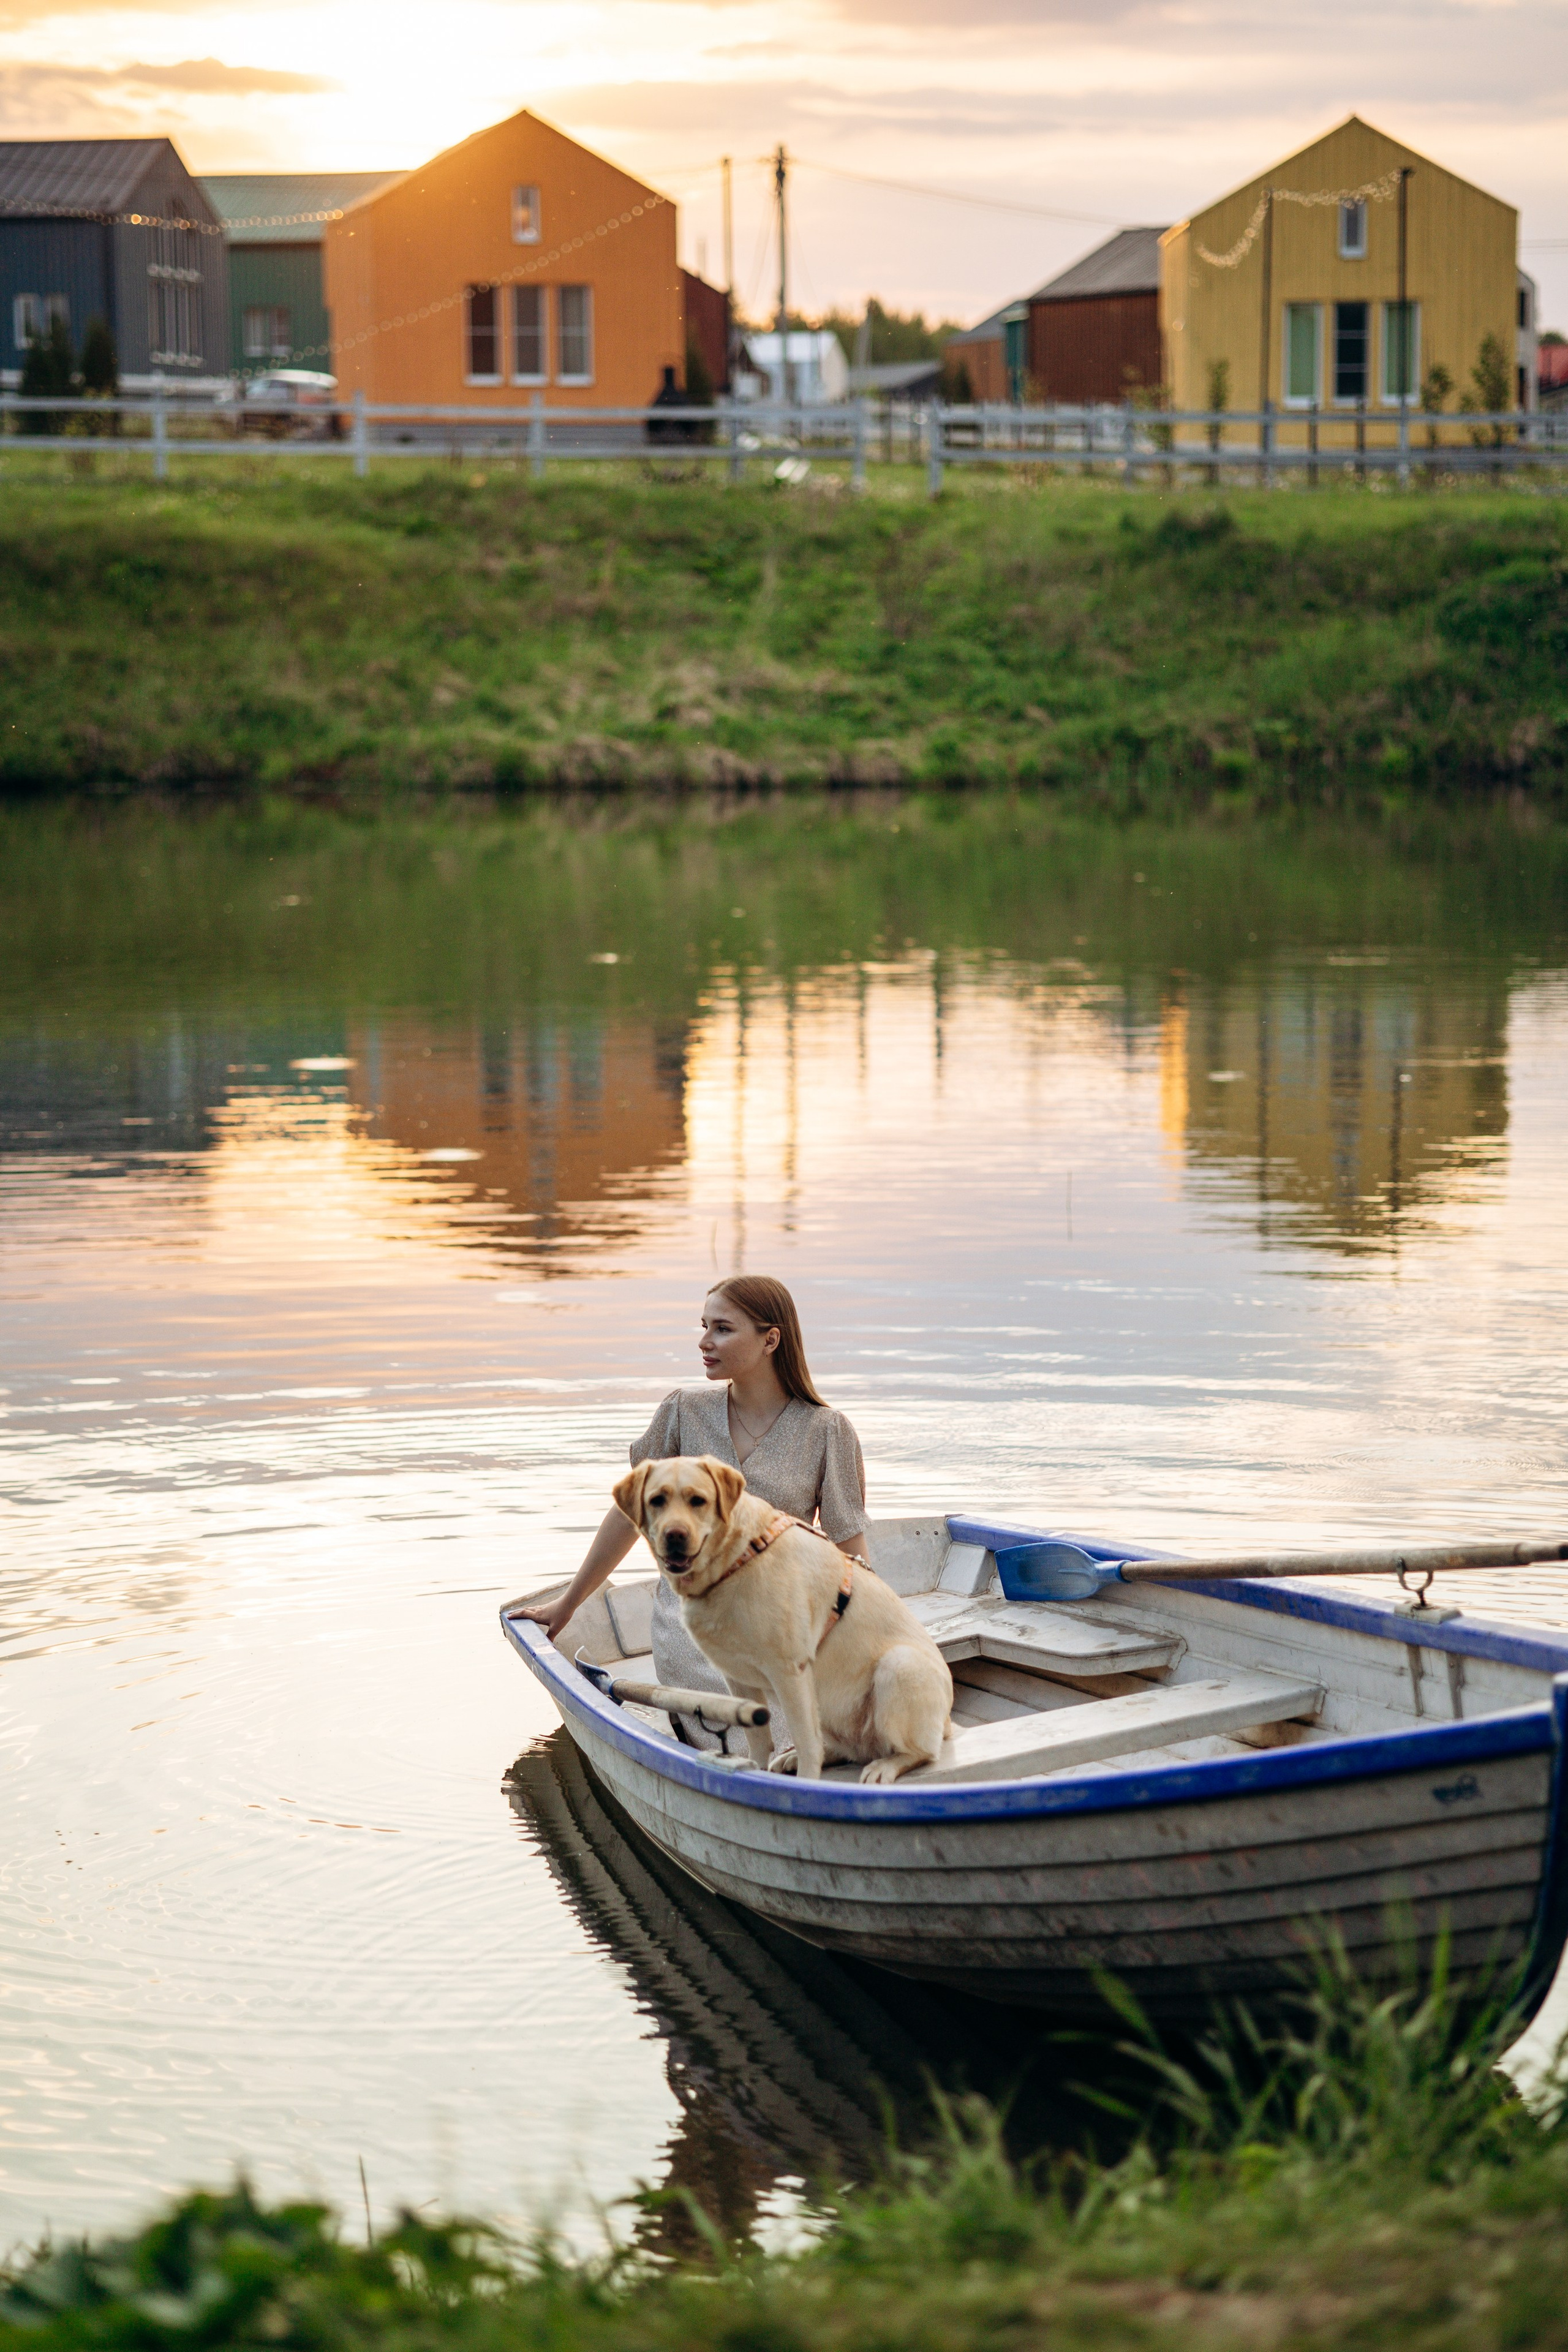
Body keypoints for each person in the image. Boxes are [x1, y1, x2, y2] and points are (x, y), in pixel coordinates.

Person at [517, 1275, 867, 1747]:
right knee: (776, 1736)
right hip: (695, 1627)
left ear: (770, 1340)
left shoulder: (827, 1431)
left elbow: (850, 1555)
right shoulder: (683, 1413)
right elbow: (628, 1516)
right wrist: (570, 1603)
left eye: (722, 1329)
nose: (704, 1342)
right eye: (704, 1327)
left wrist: (862, 1648)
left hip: (783, 1625)